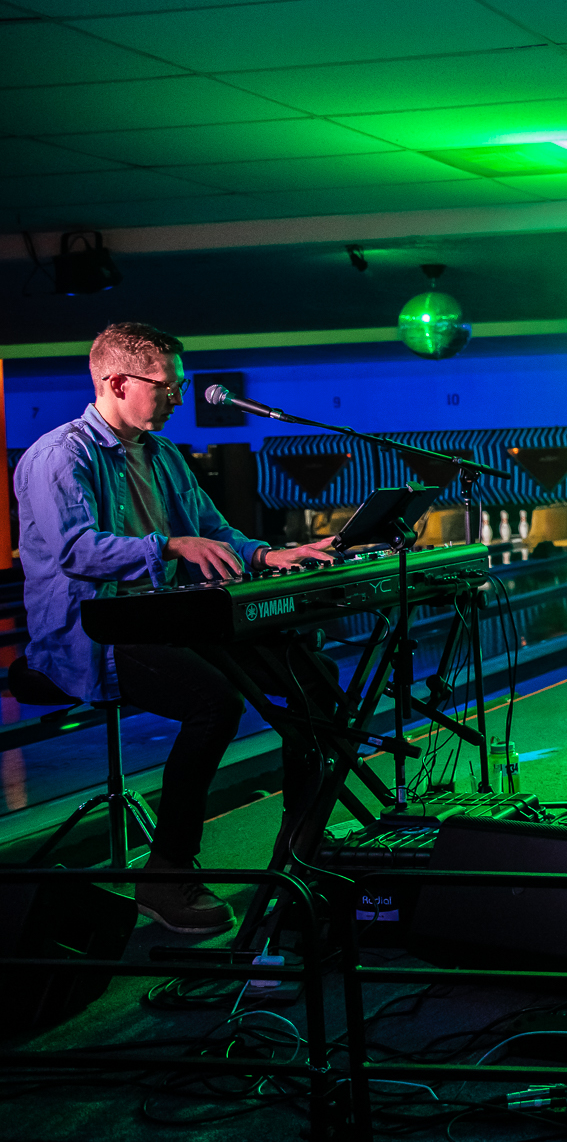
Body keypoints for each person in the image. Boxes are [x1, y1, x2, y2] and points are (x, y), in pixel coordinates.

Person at [14, 323, 337, 934]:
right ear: (115, 381)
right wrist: (168, 546)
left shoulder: (161, 454)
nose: (176, 399)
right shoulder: (59, 456)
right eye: (167, 386)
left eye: (179, 387)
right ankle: (164, 877)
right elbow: (76, 550)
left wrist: (269, 556)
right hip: (92, 632)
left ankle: (304, 852)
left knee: (310, 676)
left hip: (166, 619)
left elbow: (214, 531)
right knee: (214, 702)